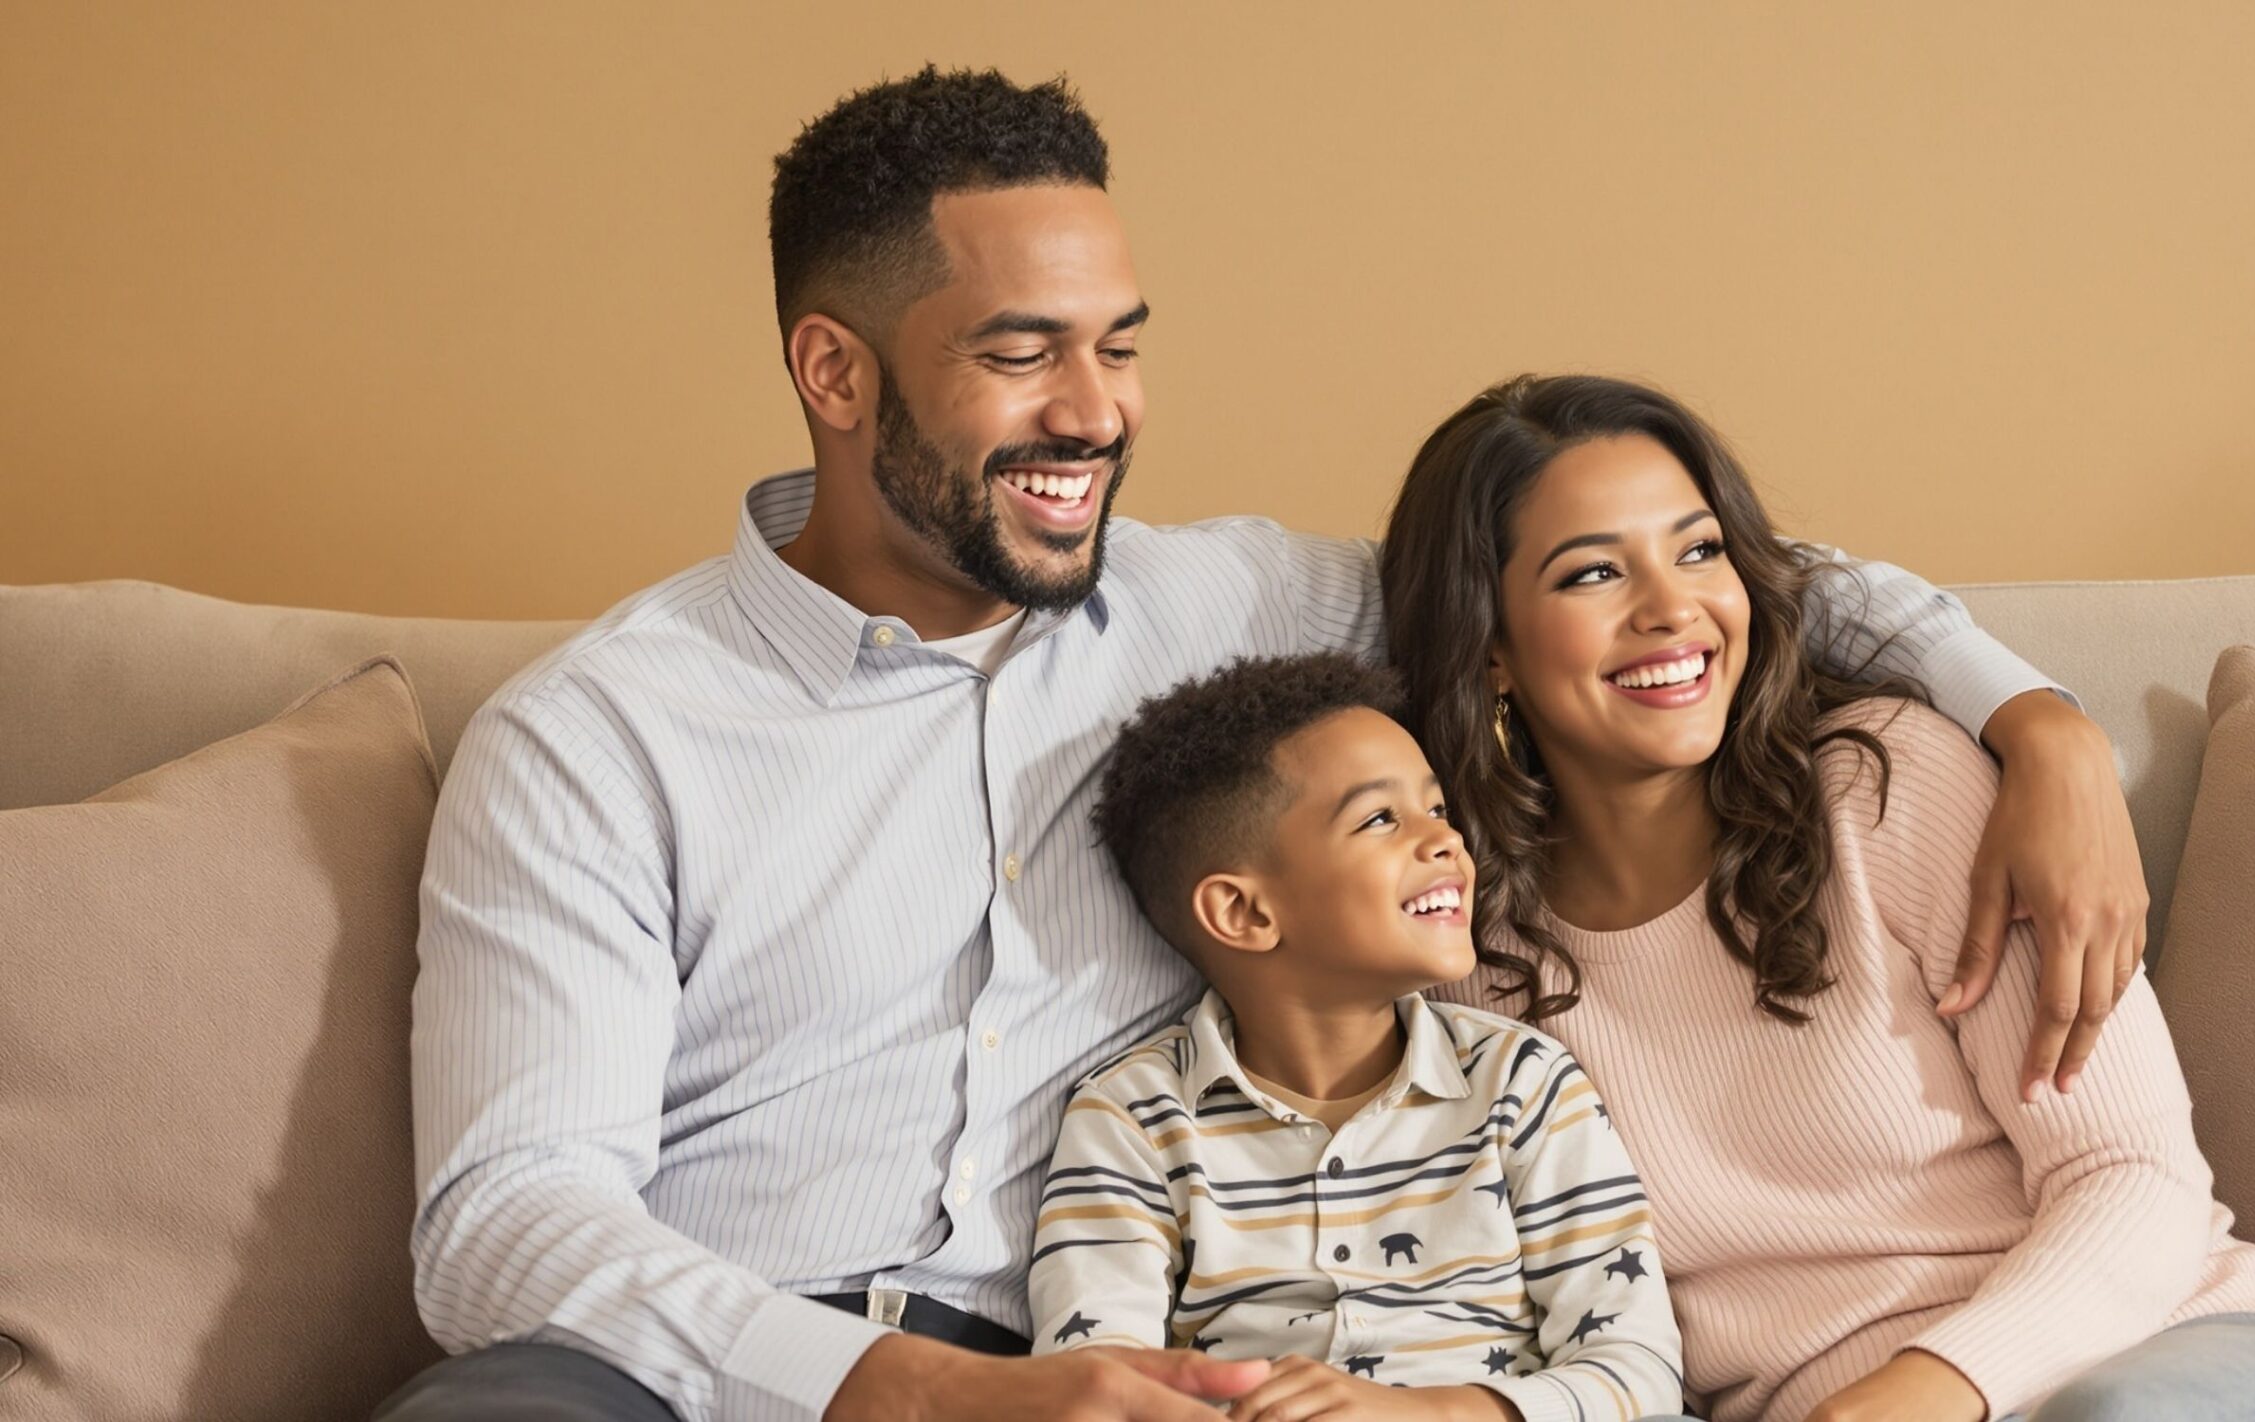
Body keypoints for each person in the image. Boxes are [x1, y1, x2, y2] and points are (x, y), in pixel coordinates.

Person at [381, 68, 2150, 1422]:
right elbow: (502, 1221)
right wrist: (912, 1392)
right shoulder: (599, 736)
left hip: (1168, 1366)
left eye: (1120, 347)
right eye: (1020, 356)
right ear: (834, 374)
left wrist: (2037, 721)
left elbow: (1663, 575)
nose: (1096, 413)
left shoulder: (1240, 606)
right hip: (737, 1377)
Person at [1382, 374, 2255, 1422]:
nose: (1673, 608)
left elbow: (2133, 1174)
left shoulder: (1885, 787)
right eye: (1592, 573)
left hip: (2169, 1357)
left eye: (1699, 549)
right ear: (1489, 644)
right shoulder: (1465, 959)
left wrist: (1921, 1393)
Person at [1032, 653, 1683, 1422]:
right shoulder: (1132, 1117)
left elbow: (1637, 1370)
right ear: (1244, 913)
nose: (1446, 843)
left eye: (1438, 810)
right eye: (1380, 819)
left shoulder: (1520, 1082)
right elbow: (1096, 1383)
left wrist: (1427, 1414)